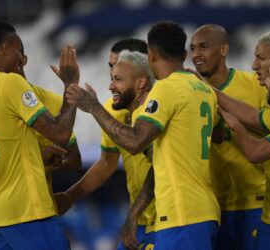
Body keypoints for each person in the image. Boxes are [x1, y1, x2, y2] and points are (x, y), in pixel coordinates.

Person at [66, 20, 220, 250]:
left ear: (152, 55)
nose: (111, 84)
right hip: (197, 209)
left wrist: (93, 107)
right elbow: (209, 138)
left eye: (117, 77)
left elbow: (135, 141)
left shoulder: (166, 89)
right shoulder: (204, 90)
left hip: (180, 211)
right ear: (185, 54)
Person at [0, 21, 78, 249]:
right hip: (26, 211)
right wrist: (70, 84)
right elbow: (61, 134)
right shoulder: (11, 83)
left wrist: (34, 156)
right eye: (19, 52)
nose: (22, 61)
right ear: (5, 48)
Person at [55, 39, 156, 250]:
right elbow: (107, 163)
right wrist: (70, 195)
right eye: (110, 68)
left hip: (170, 219)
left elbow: (156, 164)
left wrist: (93, 107)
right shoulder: (113, 109)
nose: (111, 79)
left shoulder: (159, 104)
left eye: (118, 67)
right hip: (140, 222)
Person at [213, 29, 270, 249]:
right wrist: (209, 90)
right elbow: (254, 117)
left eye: (261, 58)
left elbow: (256, 152)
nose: (253, 65)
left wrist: (235, 126)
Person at [190, 24, 270, 250]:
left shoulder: (254, 85)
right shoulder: (189, 92)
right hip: (212, 209)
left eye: (204, 47)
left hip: (254, 204)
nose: (196, 54)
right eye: (193, 48)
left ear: (224, 49)